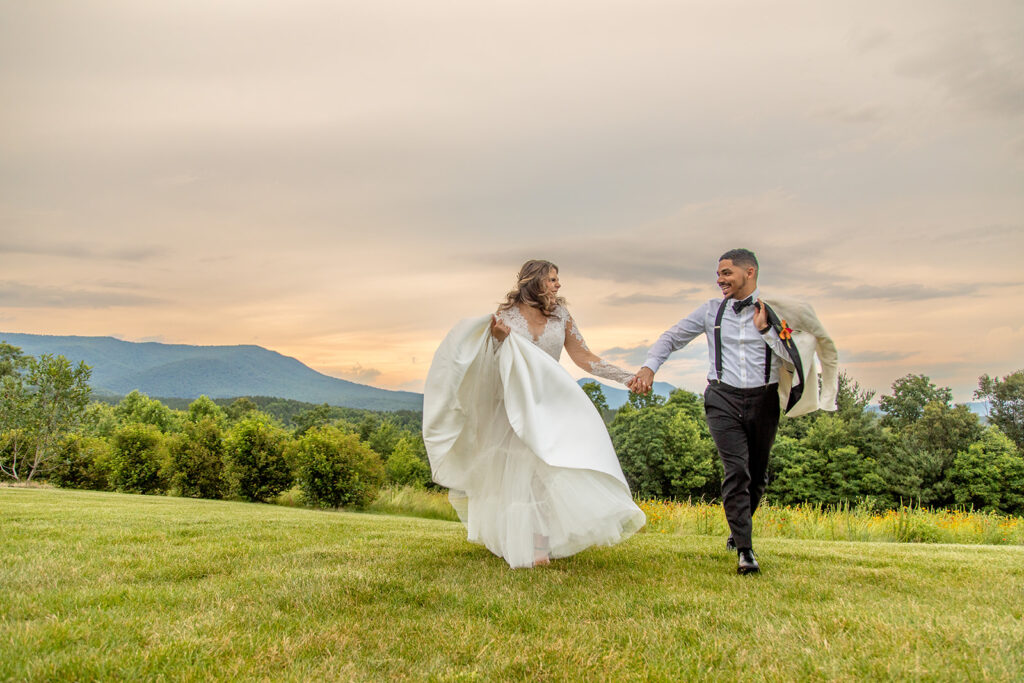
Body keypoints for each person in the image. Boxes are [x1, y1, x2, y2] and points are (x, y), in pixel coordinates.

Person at [422, 259, 645, 568]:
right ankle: (525, 546)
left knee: (547, 474)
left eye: (557, 279)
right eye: (552, 279)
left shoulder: (562, 316)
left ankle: (540, 545)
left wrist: (625, 378)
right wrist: (499, 340)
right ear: (534, 281)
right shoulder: (504, 317)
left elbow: (583, 357)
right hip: (513, 406)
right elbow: (491, 361)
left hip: (551, 404)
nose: (558, 284)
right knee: (518, 478)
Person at [630, 248, 838, 574]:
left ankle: (737, 529)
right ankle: (745, 550)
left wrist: (767, 330)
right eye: (718, 274)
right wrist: (649, 367)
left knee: (757, 477)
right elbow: (671, 337)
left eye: (726, 273)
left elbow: (794, 357)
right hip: (722, 399)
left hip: (764, 400)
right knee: (736, 471)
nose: (720, 280)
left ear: (749, 272)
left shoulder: (773, 313)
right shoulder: (710, 311)